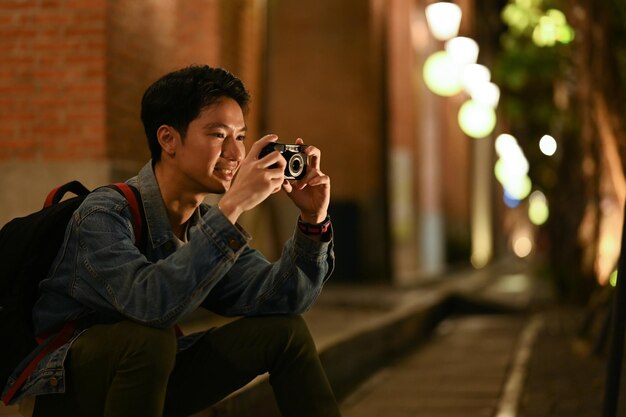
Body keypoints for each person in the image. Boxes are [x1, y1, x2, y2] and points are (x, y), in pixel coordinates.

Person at [3, 65, 340, 417]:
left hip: (148, 372)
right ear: (168, 139)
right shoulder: (103, 213)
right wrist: (234, 206)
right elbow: (150, 305)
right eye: (217, 135)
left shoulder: (205, 224)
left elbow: (282, 299)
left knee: (286, 332)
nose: (235, 154)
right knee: (151, 339)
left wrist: (312, 222)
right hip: (62, 390)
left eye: (240, 137)